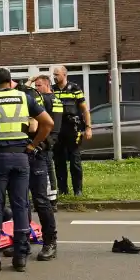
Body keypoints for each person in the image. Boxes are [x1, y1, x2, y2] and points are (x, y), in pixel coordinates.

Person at [0, 68, 52, 272]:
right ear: (10, 81)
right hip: (21, 157)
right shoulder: (25, 98)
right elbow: (47, 123)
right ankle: (20, 256)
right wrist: (32, 145)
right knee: (21, 205)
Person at [24, 75, 60, 261]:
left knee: (40, 200)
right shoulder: (31, 96)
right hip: (23, 154)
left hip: (38, 152)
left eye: (39, 85)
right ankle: (23, 241)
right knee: (21, 201)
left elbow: (41, 127)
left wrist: (35, 145)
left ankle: (50, 242)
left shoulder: (36, 98)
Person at [51, 66, 92, 197]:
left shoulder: (75, 88)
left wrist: (88, 127)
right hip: (57, 129)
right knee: (59, 161)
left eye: (57, 74)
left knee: (75, 160)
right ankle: (63, 189)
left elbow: (85, 109)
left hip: (72, 129)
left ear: (64, 74)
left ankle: (78, 190)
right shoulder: (52, 89)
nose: (54, 76)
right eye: (53, 74)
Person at [33, 74, 62, 199]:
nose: (37, 88)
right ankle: (52, 198)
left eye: (39, 85)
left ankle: (48, 199)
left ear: (47, 84)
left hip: (44, 137)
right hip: (53, 136)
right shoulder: (57, 99)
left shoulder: (43, 99)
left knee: (46, 169)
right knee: (50, 168)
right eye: (35, 86)